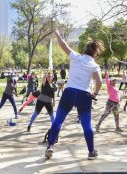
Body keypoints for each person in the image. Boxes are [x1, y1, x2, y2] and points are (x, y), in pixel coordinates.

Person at [45, 29, 104, 160]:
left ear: (85, 49)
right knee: (86, 125)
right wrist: (95, 93)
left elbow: (63, 45)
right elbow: (99, 81)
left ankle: (50, 146)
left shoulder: (75, 56)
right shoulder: (94, 65)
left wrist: (57, 33)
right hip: (84, 96)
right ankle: (91, 152)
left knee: (58, 120)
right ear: (95, 53)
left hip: (69, 93)